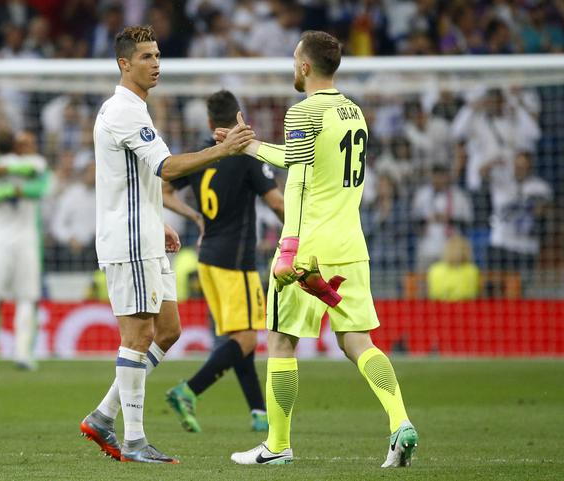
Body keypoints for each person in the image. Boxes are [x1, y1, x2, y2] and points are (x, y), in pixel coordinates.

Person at [224, 30, 418, 467]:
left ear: (306, 66)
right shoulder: (354, 111)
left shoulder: (305, 111)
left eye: (295, 60)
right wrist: (251, 145)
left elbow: (298, 172)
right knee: (358, 341)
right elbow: (311, 164)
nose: (293, 66)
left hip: (307, 245)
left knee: (281, 342)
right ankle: (400, 422)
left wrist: (288, 246)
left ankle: (276, 445)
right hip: (350, 241)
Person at [78, 25, 254, 464]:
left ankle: (103, 416)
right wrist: (224, 151)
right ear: (124, 64)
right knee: (137, 335)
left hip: (146, 233)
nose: (156, 63)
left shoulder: (136, 108)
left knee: (168, 330)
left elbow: (139, 179)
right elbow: (168, 168)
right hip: (130, 240)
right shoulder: (124, 111)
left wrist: (159, 221)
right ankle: (134, 440)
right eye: (146, 57)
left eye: (158, 55)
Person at [163, 90, 284, 434]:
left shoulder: (203, 154)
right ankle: (188, 391)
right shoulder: (246, 154)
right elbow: (276, 203)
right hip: (236, 260)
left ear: (210, 122)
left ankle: (259, 413)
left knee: (236, 336)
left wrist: (196, 217)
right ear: (240, 116)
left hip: (208, 258)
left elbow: (163, 189)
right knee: (246, 338)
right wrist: (305, 227)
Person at [0, 129, 50, 371]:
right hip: (15, 238)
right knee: (18, 297)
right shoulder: (31, 164)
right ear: (15, 144)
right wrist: (18, 188)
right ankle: (11, 354)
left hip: (4, 237)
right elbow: (37, 186)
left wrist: (6, 182)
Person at [427, 235, 480, 301]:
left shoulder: (434, 268)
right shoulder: (472, 269)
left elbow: (434, 293)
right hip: (464, 305)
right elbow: (471, 293)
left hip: (440, 305)